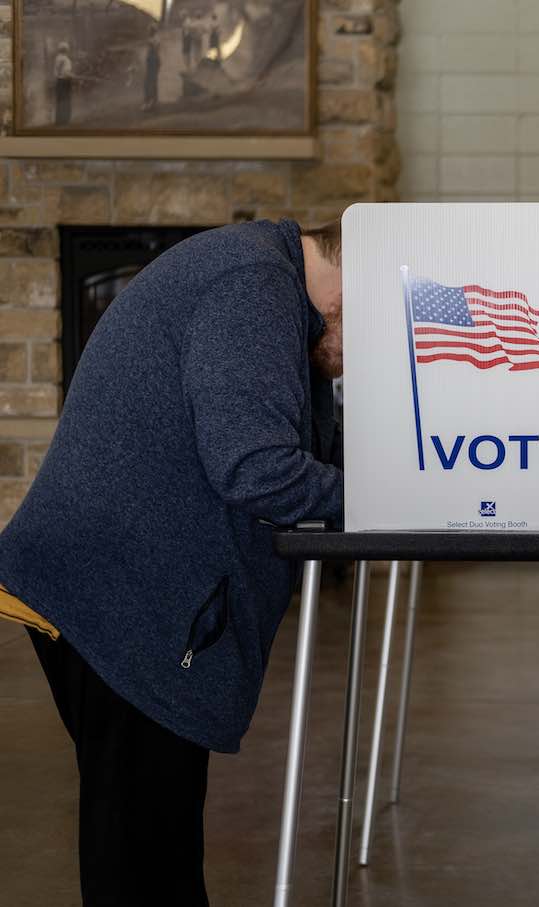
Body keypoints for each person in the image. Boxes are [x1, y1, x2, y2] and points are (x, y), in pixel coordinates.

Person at [0, 218, 345, 905]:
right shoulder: (254, 282)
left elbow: (295, 456)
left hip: (119, 584)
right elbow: (257, 469)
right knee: (142, 857)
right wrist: (391, 497)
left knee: (151, 845)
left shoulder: (261, 278)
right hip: (118, 593)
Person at [53, 41, 74, 126]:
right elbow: (66, 72)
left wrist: (69, 74)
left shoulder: (57, 58)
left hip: (59, 81)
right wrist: (72, 75)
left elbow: (57, 72)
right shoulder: (66, 59)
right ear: (66, 50)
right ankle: (65, 121)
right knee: (66, 100)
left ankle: (59, 121)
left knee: (60, 100)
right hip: (65, 81)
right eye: (67, 49)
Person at [142, 25, 160, 112]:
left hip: (153, 60)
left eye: (149, 31)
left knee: (150, 81)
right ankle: (152, 101)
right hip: (153, 60)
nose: (147, 32)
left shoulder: (154, 39)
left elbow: (154, 46)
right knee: (151, 80)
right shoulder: (155, 38)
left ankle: (150, 101)